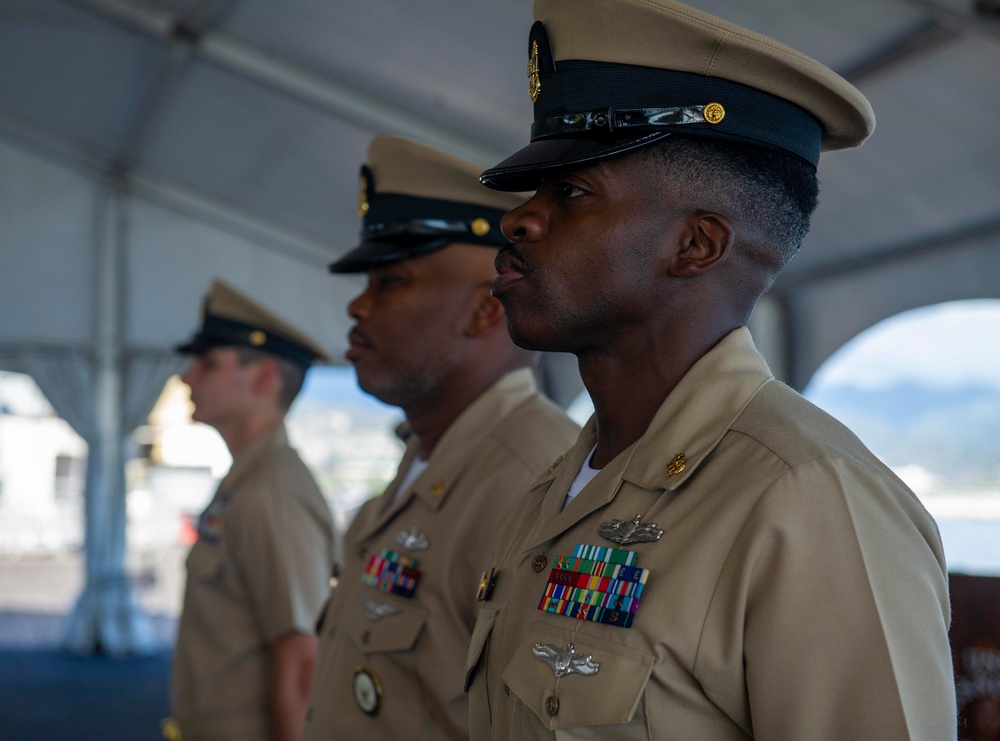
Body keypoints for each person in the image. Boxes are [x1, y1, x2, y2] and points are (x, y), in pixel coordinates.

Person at [465, 1, 957, 739]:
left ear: (696, 245)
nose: (519, 219)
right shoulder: (564, 486)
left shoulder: (808, 502)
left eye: (570, 192)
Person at [301, 135, 580, 740]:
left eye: (390, 283)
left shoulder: (534, 480)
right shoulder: (431, 451)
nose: (357, 307)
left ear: (485, 311)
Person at [169, 280, 336, 741]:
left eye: (207, 363)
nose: (186, 376)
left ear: (264, 378)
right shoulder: (248, 481)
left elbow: (303, 661)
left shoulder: (272, 492)